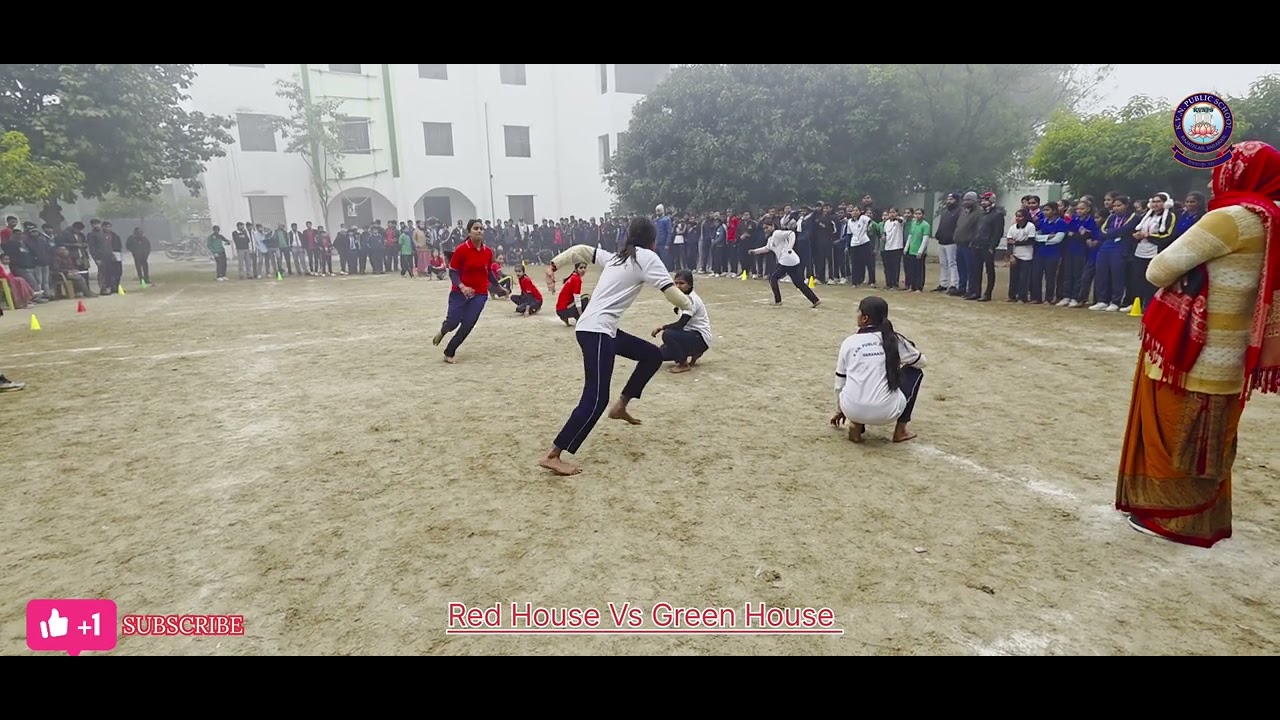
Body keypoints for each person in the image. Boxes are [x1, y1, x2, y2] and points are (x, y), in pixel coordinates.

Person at [1118, 140, 1280, 548]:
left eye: (1221, 170)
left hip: (1193, 350)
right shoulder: (1273, 219)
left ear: (1239, 173)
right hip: (1237, 354)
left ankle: (1170, 517)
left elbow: (1159, 269)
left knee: (1177, 433)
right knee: (1213, 435)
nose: (1213, 180)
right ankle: (1203, 516)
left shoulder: (1232, 218)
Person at [538, 217, 693, 476]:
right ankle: (553, 455)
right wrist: (690, 305)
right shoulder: (646, 258)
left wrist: (553, 265)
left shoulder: (617, 258)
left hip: (600, 330)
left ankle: (621, 404)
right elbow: (671, 293)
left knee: (652, 355)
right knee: (596, 399)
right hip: (596, 332)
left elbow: (581, 251)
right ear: (653, 241)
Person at [830, 296, 926, 444]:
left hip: (851, 409)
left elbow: (840, 381)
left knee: (855, 374)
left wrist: (841, 410)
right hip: (885, 413)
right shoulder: (895, 340)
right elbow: (921, 362)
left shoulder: (849, 342)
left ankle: (856, 423)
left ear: (865, 318)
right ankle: (900, 431)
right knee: (915, 372)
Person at [433, 219, 508, 363]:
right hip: (459, 293)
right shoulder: (461, 250)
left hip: (480, 294)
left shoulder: (488, 252)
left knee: (468, 324)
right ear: (469, 232)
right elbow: (453, 272)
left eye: (481, 228)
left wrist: (498, 287)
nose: (479, 231)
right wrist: (462, 287)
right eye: (476, 228)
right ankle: (443, 330)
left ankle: (449, 352)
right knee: (453, 322)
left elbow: (489, 272)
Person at [748, 218, 821, 308]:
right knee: (798, 283)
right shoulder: (770, 239)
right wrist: (754, 251)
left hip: (787, 259)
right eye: (764, 228)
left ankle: (778, 301)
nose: (765, 230)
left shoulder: (777, 233)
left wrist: (789, 247)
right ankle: (815, 300)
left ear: (772, 226)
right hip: (790, 261)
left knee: (773, 278)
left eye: (767, 227)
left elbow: (791, 233)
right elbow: (767, 248)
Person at [652, 269, 712, 373]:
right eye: (676, 283)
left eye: (682, 283)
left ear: (690, 285)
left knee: (668, 334)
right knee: (660, 354)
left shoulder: (691, 300)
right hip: (690, 334)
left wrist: (662, 327)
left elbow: (680, 324)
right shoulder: (683, 297)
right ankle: (694, 353)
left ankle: (683, 364)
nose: (678, 286)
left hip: (700, 337)